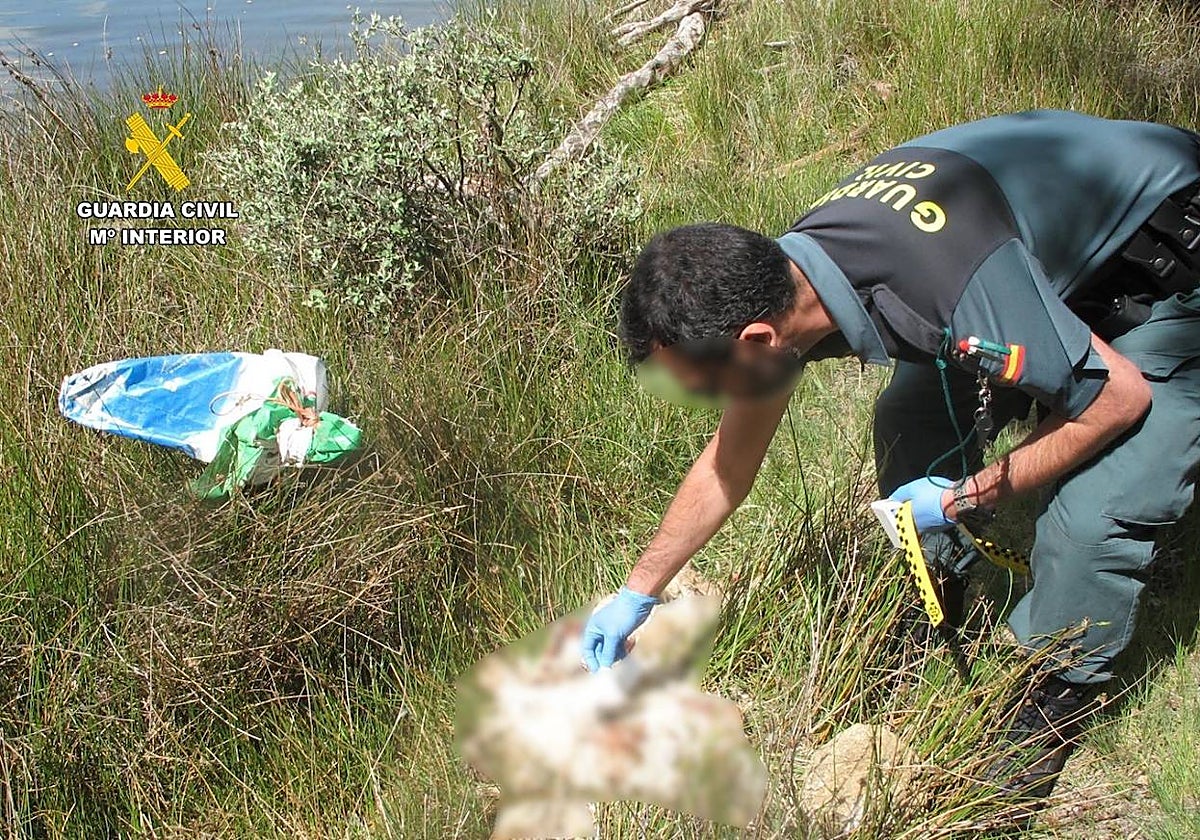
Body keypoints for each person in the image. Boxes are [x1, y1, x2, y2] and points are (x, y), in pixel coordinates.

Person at [580, 110, 1200, 799]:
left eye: (707, 387)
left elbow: (1120, 398)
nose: (713, 403)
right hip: (1029, 257)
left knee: (1088, 519)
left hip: (1165, 262)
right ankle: (936, 598)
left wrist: (966, 497)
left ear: (755, 341)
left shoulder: (935, 286)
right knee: (909, 419)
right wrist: (637, 592)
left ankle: (1044, 708)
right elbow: (730, 464)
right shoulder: (784, 277)